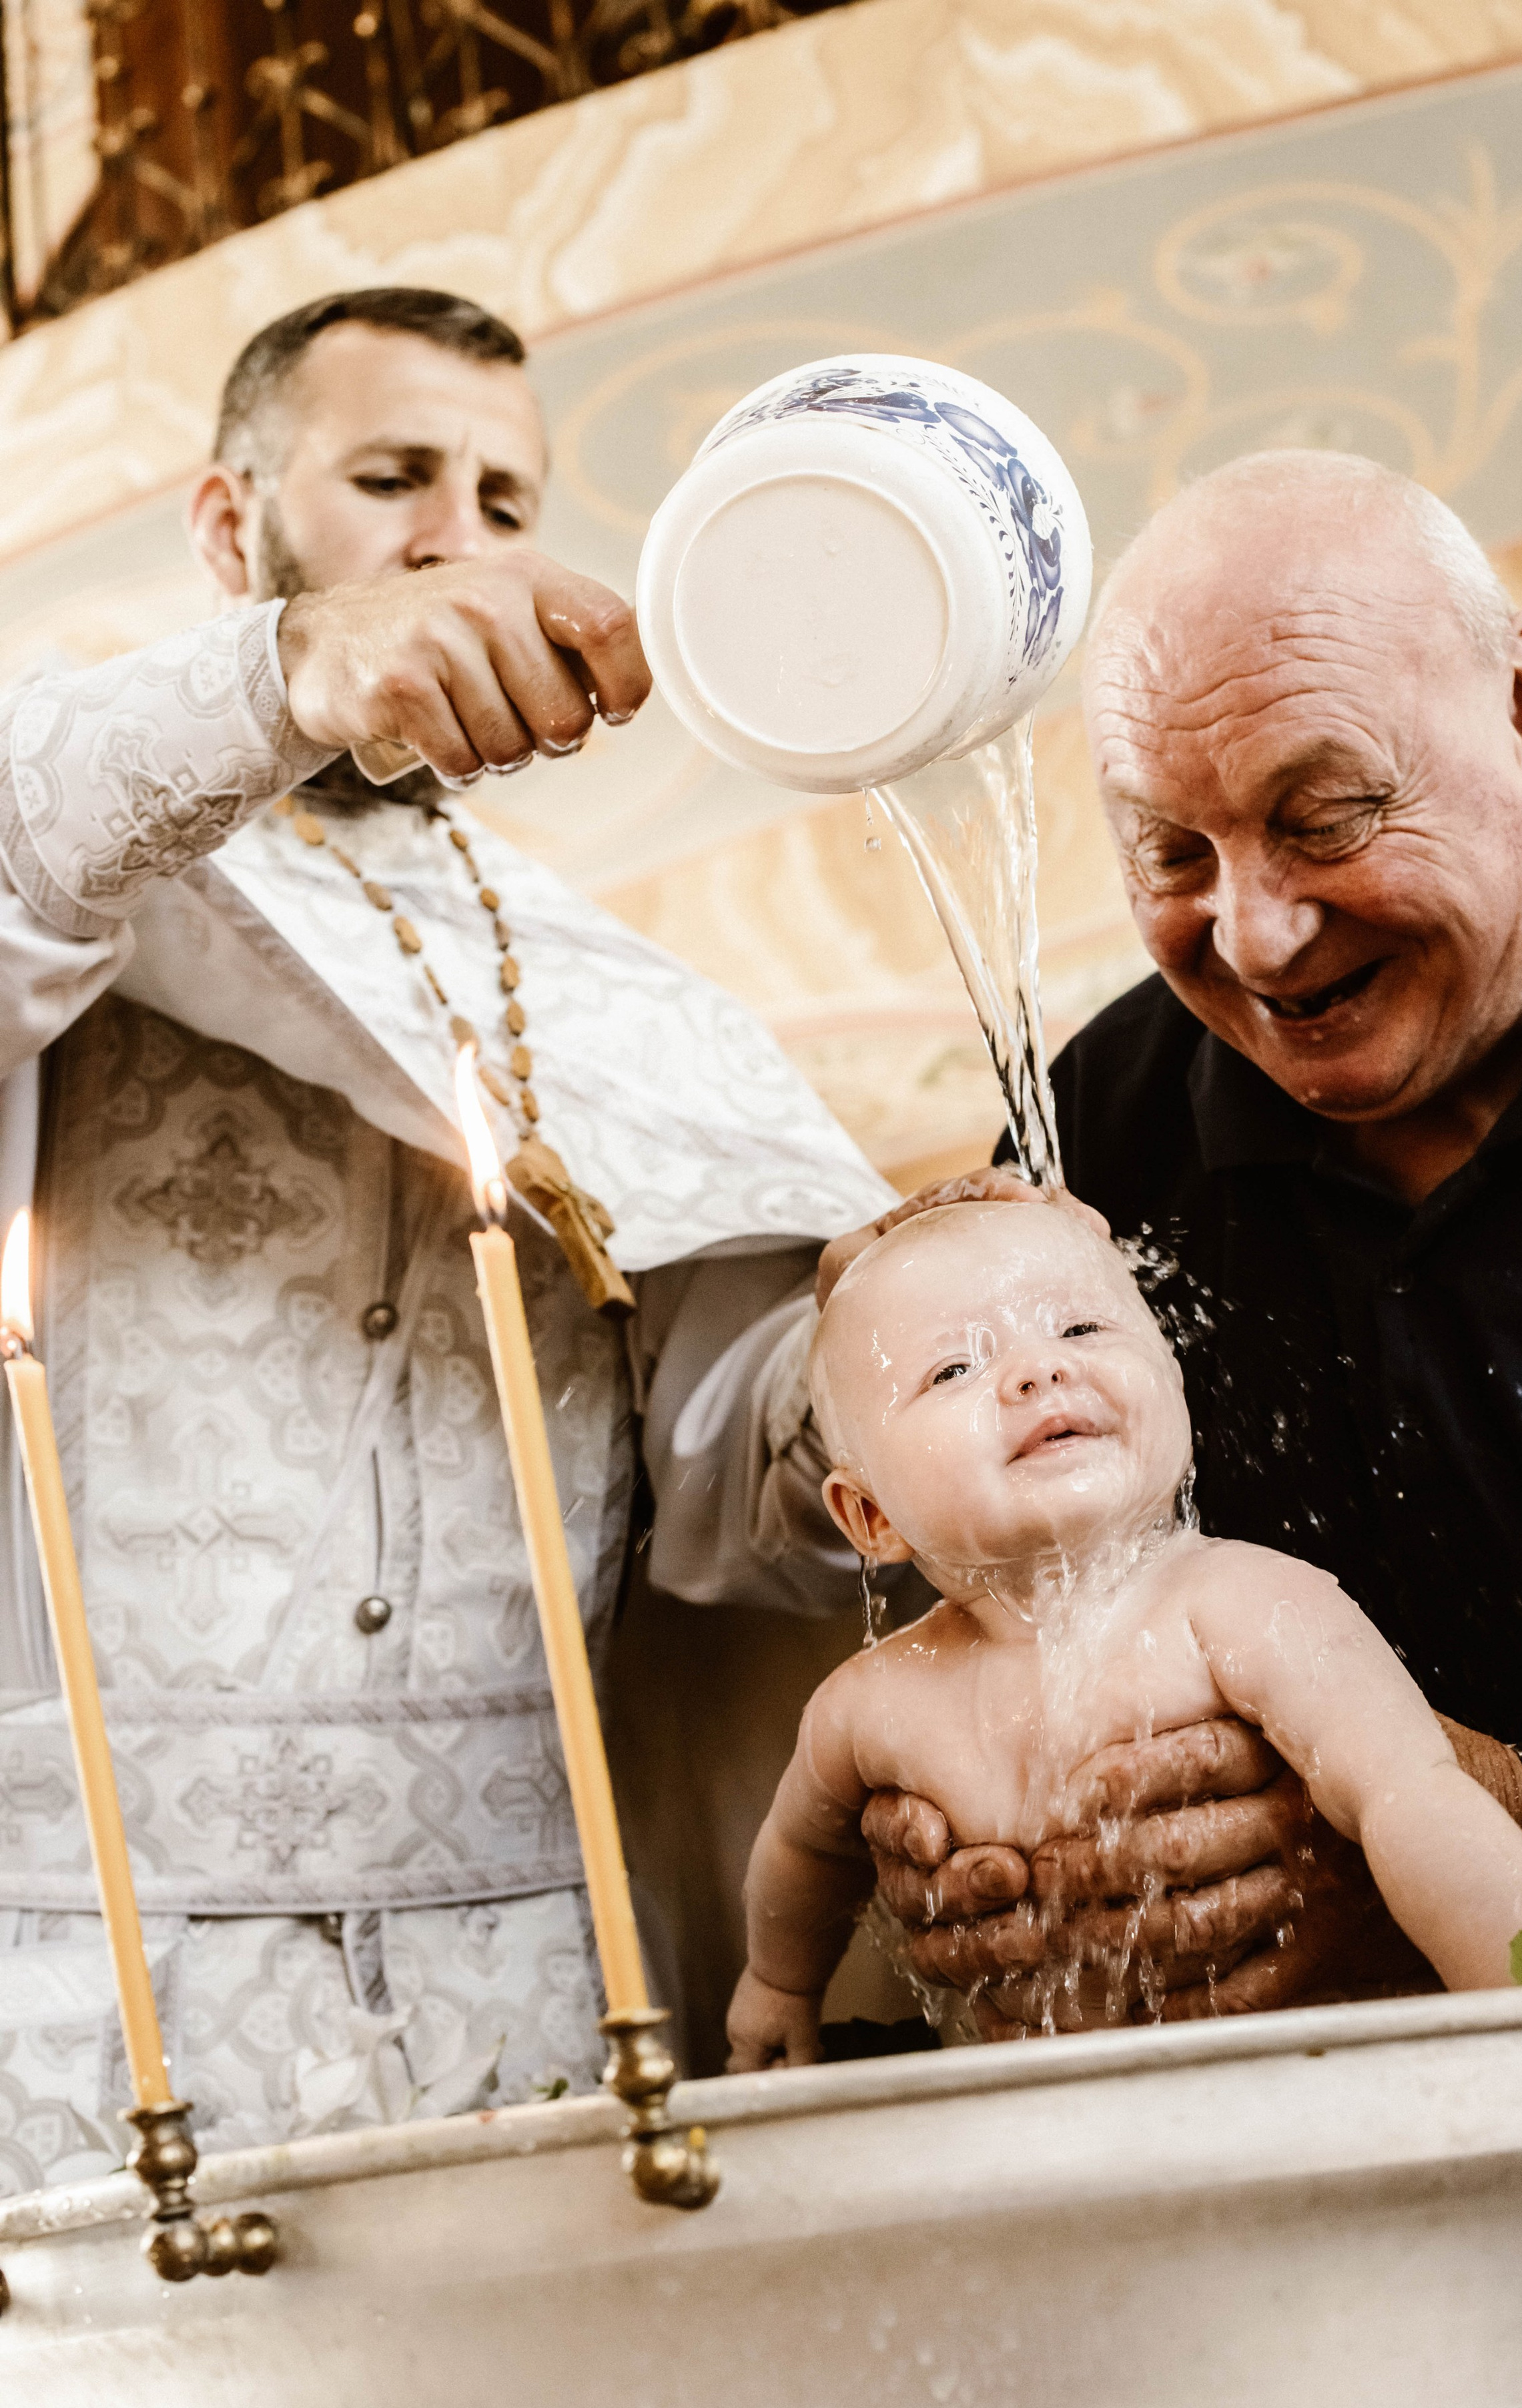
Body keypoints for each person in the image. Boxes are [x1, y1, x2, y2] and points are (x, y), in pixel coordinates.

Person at [0, 287, 889, 2190]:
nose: (451, 538)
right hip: (84, 2009)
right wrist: (287, 673)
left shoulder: (598, 987)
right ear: (233, 529)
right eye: (390, 476)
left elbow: (733, 1486)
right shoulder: (79, 839)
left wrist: (905, 1392)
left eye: (503, 497)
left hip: (533, 2000)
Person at [819, 449, 1522, 2026]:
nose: (1256, 938)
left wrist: (1507, 1812)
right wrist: (993, 1842)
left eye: (1328, 814)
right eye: (1169, 852)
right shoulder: (1103, 1121)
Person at [727, 1198, 1522, 2066]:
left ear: (1175, 1381)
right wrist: (779, 1986)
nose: (1038, 1372)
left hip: (1309, 2087)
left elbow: (1415, 1798)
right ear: (869, 1515)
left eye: (1081, 1329)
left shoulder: (1242, 1605)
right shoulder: (871, 1701)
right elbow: (802, 1852)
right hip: (1056, 2124)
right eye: (953, 1370)